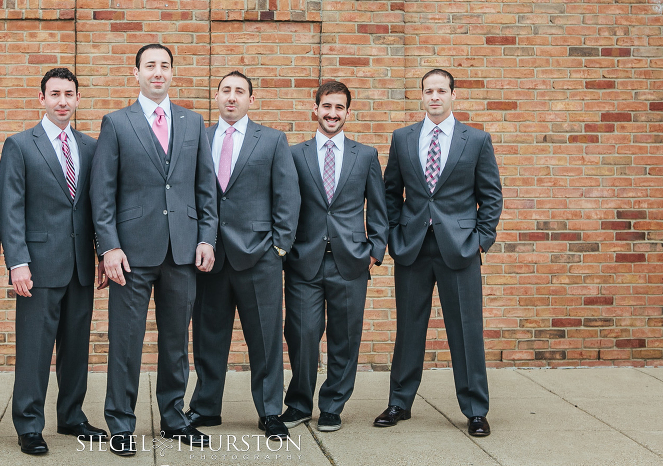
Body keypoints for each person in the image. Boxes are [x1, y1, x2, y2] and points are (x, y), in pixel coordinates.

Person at [90, 43, 219, 456]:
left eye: (164, 66)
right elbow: (102, 192)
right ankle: (121, 424)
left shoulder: (193, 121)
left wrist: (206, 237)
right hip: (130, 253)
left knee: (176, 341)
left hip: (181, 250)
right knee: (125, 341)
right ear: (136, 73)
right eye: (150, 66)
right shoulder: (117, 123)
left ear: (172, 73)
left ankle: (173, 418)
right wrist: (108, 247)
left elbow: (206, 188)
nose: (157, 73)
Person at [373, 69, 503, 437]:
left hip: (460, 249)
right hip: (413, 247)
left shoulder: (475, 140)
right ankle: (399, 402)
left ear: (452, 95)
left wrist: (481, 239)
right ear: (422, 96)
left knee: (465, 330)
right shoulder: (403, 138)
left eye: (441, 90)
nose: (434, 97)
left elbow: (491, 196)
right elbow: (389, 192)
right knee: (408, 328)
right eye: (428, 91)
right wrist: (395, 235)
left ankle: (476, 409)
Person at [0, 67, 107, 456]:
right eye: (55, 94)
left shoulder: (91, 147)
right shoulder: (20, 145)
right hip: (38, 266)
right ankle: (29, 424)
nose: (62, 101)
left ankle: (72, 415)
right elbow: (9, 209)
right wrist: (17, 262)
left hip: (79, 265)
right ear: (41, 99)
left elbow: (97, 207)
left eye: (69, 94)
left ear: (78, 99)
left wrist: (101, 253)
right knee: (35, 349)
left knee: (76, 346)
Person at [186, 71, 300, 441]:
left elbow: (287, 197)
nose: (231, 97)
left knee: (265, 339)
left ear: (252, 99)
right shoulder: (198, 138)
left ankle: (270, 412)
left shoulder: (271, 140)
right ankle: (205, 407)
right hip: (210, 256)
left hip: (260, 257)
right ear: (216, 96)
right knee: (207, 336)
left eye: (239, 92)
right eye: (225, 91)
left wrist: (278, 247)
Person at [280, 81, 388, 432]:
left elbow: (379, 207)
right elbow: (284, 204)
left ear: (347, 113)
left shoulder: (366, 155)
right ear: (315, 108)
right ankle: (297, 404)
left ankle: (332, 405)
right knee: (302, 334)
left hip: (351, 261)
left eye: (339, 107)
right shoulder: (295, 155)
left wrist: (376, 249)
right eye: (326, 106)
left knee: (345, 337)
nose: (332, 113)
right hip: (304, 260)